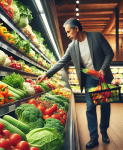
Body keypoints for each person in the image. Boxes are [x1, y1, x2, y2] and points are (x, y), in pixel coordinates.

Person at [37, 18, 114, 149]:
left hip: (102, 77)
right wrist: (46, 73)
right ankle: (94, 137)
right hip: (89, 79)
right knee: (90, 107)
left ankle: (104, 131)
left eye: (68, 32)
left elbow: (109, 53)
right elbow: (62, 61)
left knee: (105, 105)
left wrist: (103, 69)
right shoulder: (72, 46)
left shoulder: (96, 36)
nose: (67, 35)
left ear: (76, 29)